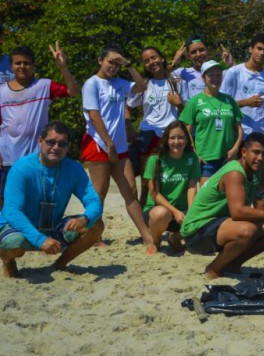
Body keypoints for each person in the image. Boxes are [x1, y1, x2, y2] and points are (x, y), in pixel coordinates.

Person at [180, 132, 264, 278]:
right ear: (244, 152)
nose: (260, 158)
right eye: (256, 153)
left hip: (220, 226)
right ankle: (214, 269)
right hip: (197, 233)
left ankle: (233, 263)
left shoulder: (258, 172)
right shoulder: (235, 172)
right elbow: (237, 212)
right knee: (248, 230)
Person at [0, 121, 104, 278]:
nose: (56, 147)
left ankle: (59, 265)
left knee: (96, 224)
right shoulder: (21, 168)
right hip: (17, 227)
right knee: (16, 243)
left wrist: (85, 218)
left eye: (62, 144)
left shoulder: (74, 168)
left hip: (51, 227)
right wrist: (40, 240)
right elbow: (12, 211)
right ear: (40, 141)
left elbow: (94, 202)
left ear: (68, 147)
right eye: (51, 142)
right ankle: (8, 261)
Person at [81, 45, 153, 251]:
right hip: (98, 144)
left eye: (116, 62)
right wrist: (109, 144)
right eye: (110, 61)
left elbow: (141, 86)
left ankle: (146, 235)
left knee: (130, 190)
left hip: (119, 147)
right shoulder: (91, 84)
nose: (113, 66)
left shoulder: (119, 83)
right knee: (99, 192)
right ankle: (94, 235)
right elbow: (94, 115)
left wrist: (128, 64)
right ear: (100, 60)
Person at [0, 44, 79, 209]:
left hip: (38, 158)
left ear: (33, 66)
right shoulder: (1, 92)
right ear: (11, 66)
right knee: (6, 201)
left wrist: (63, 67)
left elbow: (73, 91)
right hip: (8, 158)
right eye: (18, 63)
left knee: (35, 202)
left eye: (27, 63)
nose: (22, 66)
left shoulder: (44, 86)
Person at [127, 46, 180, 204]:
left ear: (162, 58)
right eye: (146, 61)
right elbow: (127, 106)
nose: (151, 62)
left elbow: (187, 109)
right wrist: (129, 127)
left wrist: (180, 103)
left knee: (171, 177)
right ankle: (144, 218)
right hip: (148, 136)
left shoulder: (176, 82)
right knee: (146, 181)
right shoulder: (143, 84)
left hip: (171, 135)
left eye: (154, 57)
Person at [179, 60, 243, 180]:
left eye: (218, 75)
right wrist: (194, 152)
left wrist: (235, 149)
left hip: (227, 158)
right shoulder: (195, 101)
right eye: (211, 75)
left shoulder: (229, 100)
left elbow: (239, 128)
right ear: (203, 78)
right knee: (206, 196)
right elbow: (186, 130)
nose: (215, 78)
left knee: (226, 196)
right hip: (206, 159)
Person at [143, 121, 200, 253]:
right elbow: (154, 193)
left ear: (187, 140)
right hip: (159, 212)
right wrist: (174, 211)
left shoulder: (191, 158)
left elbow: (192, 187)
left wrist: (192, 213)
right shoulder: (155, 159)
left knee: (204, 216)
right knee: (161, 213)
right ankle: (155, 242)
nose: (177, 141)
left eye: (181, 137)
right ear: (166, 140)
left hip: (183, 211)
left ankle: (176, 237)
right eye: (172, 138)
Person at [220, 33, 264, 135]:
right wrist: (246, 102)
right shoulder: (234, 72)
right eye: (259, 48)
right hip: (236, 133)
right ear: (251, 49)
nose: (262, 53)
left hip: (260, 135)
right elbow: (221, 105)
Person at [170, 35, 210, 103]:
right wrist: (174, 62)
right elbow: (160, 76)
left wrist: (231, 63)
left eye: (201, 50)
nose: (198, 54)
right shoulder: (182, 72)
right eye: (193, 52)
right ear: (188, 56)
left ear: (208, 51)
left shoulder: (219, 72)